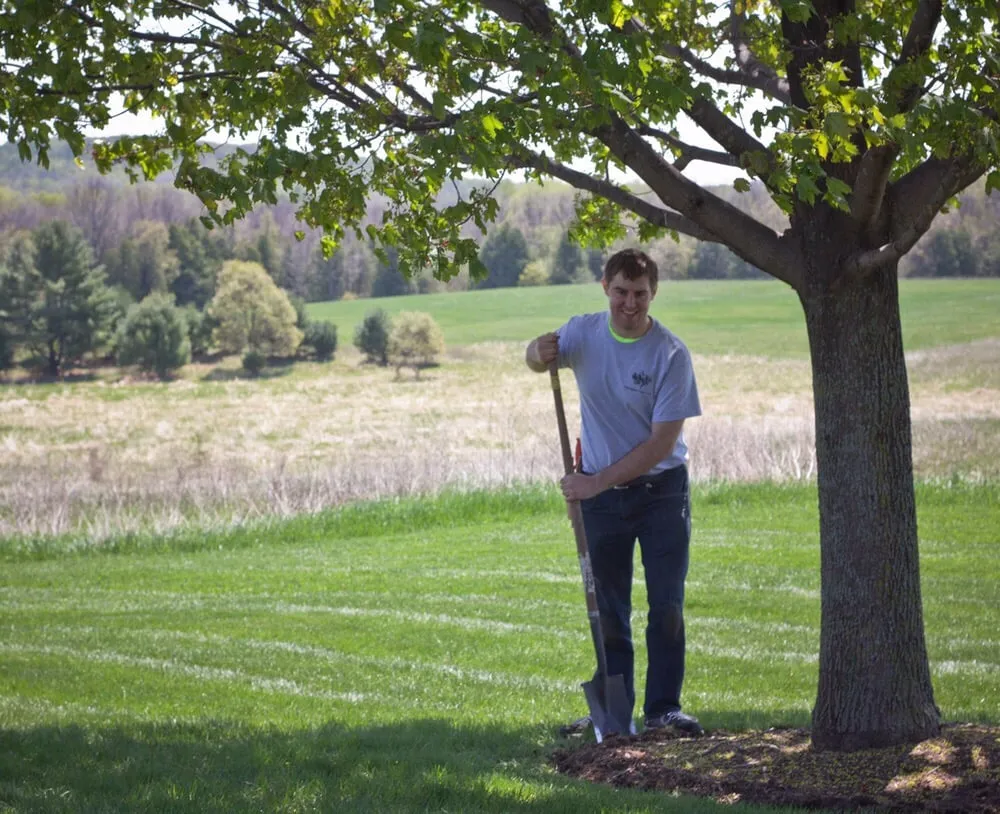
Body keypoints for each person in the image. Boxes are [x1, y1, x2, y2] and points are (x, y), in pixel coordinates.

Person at [525, 248, 703, 736]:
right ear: (605, 286)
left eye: (640, 294)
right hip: (602, 500)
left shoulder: (670, 354)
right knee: (609, 608)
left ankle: (663, 709)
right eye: (621, 292)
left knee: (666, 605)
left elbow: (660, 444)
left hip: (661, 492)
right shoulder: (583, 333)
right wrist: (535, 354)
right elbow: (539, 357)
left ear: (653, 293)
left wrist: (591, 484)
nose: (630, 303)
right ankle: (614, 713)